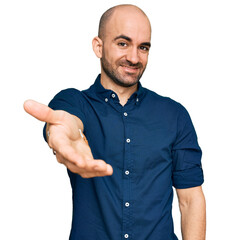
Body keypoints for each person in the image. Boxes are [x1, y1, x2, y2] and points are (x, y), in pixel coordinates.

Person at [24, 4, 206, 240]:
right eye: (123, 43)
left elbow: (190, 199)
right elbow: (64, 123)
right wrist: (60, 135)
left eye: (143, 47)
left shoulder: (175, 115)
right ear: (98, 47)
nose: (133, 57)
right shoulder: (75, 101)